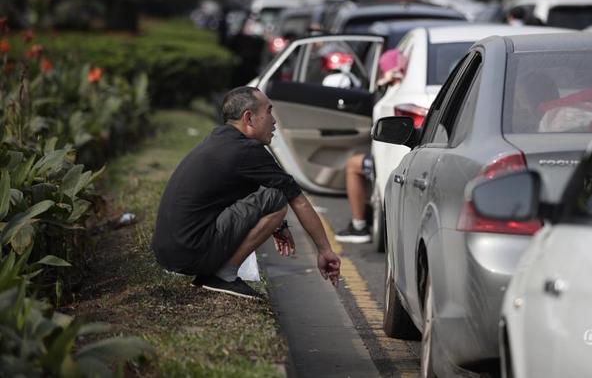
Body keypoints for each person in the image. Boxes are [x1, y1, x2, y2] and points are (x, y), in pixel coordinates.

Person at [152, 87, 341, 299]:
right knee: (277, 199)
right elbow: (298, 200)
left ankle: (218, 272)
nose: (274, 121)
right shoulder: (246, 151)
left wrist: (279, 225)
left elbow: (239, 191)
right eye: (269, 112)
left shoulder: (220, 138)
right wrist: (325, 250)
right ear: (249, 118)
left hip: (169, 251)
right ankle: (224, 276)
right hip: (189, 252)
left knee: (271, 196)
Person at [335, 49, 406, 243]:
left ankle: (359, 226)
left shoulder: (394, 92)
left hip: (393, 161)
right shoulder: (403, 87)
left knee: (353, 164)